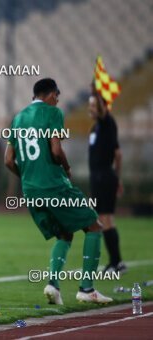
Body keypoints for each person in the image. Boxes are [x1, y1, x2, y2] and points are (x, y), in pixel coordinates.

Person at [4, 78, 112, 305]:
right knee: (94, 226)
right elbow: (55, 149)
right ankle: (87, 288)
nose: (58, 101)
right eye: (57, 97)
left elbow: (8, 160)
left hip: (31, 190)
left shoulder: (18, 119)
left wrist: (28, 176)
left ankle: (53, 285)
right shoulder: (53, 113)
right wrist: (66, 166)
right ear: (52, 94)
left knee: (65, 233)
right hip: (54, 185)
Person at [88, 89, 126, 273]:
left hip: (104, 176)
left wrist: (116, 178)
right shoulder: (96, 128)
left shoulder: (107, 122)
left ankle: (116, 262)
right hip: (97, 177)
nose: (91, 109)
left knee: (106, 218)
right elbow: (117, 151)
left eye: (94, 105)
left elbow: (118, 156)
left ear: (102, 107)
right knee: (103, 218)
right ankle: (115, 261)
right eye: (90, 105)